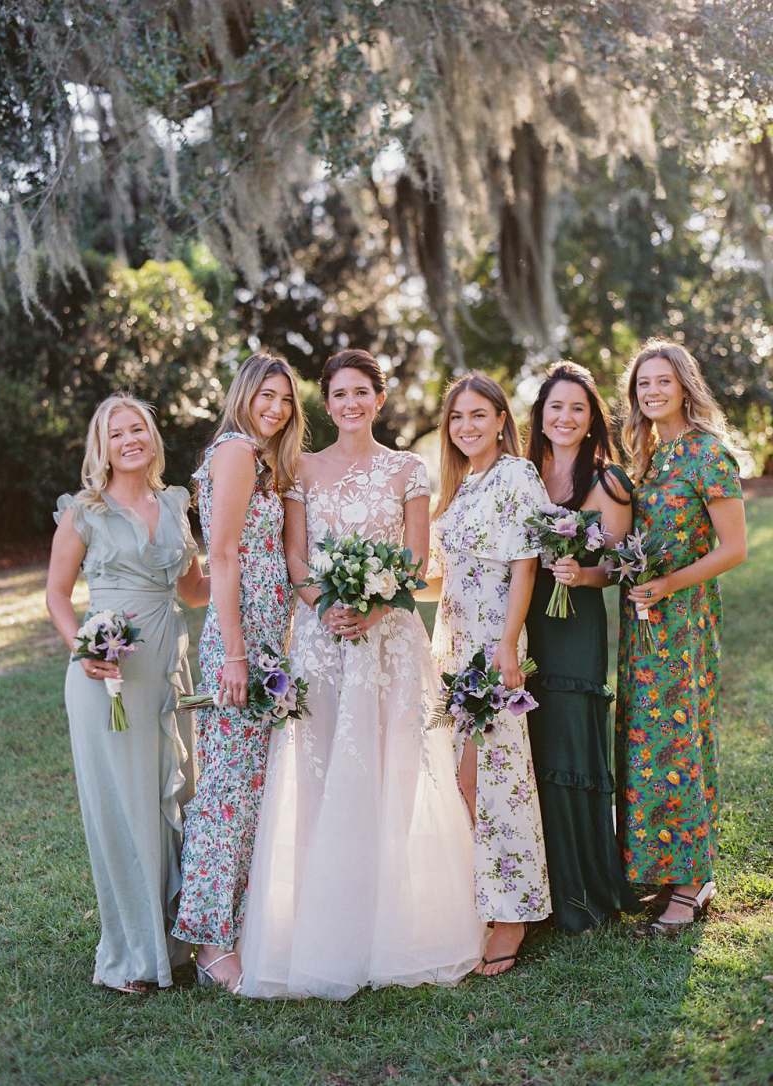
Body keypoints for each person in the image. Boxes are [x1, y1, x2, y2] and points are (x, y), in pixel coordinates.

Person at [239, 349, 485, 1000]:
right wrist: (326, 606)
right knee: (322, 777)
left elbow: (415, 554)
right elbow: (295, 554)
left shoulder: (408, 468)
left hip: (392, 642)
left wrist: (376, 606)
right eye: (338, 394)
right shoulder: (303, 469)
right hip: (323, 643)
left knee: (394, 771)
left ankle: (397, 924)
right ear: (326, 402)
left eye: (361, 393)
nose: (350, 403)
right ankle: (326, 927)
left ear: (380, 398)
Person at [46, 393, 209, 993]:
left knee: (176, 796)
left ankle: (175, 944)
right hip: (106, 676)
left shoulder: (175, 504)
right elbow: (58, 595)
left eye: (137, 427)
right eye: (116, 434)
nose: (129, 440)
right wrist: (84, 648)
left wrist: (251, 565)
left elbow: (194, 591)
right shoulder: (83, 512)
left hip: (168, 666)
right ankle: (129, 957)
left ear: (152, 435)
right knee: (122, 806)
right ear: (103, 447)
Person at [171, 352, 305, 992]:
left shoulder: (260, 458)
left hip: (263, 645)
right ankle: (208, 940)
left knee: (251, 790)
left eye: (286, 400)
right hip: (242, 649)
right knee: (226, 792)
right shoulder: (235, 452)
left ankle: (243, 919)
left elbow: (204, 575)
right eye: (267, 396)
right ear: (244, 394)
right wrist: (234, 654)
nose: (276, 409)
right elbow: (223, 555)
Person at [615, 339, 746, 933]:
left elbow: (734, 549)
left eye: (663, 381)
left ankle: (691, 883)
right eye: (644, 384)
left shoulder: (707, 455)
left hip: (685, 620)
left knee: (680, 738)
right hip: (642, 623)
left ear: (685, 385)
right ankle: (665, 867)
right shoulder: (648, 457)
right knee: (646, 738)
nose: (653, 392)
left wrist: (669, 584)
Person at [423, 372, 551, 975]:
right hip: (452, 643)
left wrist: (506, 647)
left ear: (502, 420)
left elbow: (525, 565)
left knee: (494, 778)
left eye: (479, 415)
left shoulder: (515, 477)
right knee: (461, 780)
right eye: (457, 417)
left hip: (492, 646)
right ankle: (485, 898)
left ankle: (514, 914)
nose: (466, 426)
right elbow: (443, 576)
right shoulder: (465, 485)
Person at [524, 361, 640, 933]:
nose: (565, 417)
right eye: (555, 407)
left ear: (592, 416)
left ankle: (581, 886)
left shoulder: (608, 481)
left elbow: (617, 567)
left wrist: (580, 573)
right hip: (524, 623)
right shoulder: (521, 473)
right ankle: (535, 885)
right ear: (540, 416)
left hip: (575, 627)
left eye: (577, 407)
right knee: (532, 741)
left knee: (569, 740)